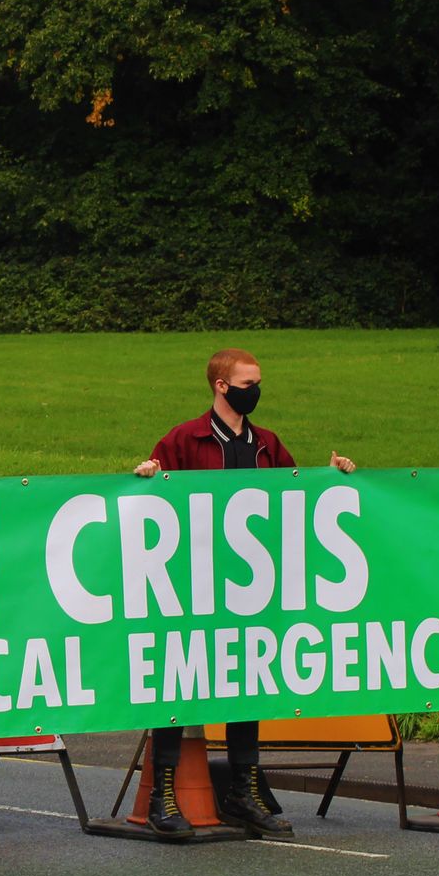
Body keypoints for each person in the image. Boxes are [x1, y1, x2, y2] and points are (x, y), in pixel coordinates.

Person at [130, 348, 357, 840]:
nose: (256, 390)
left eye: (258, 382)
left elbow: (297, 497)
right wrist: (147, 476)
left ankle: (243, 792)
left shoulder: (267, 444)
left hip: (251, 589)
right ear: (221, 386)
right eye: (248, 383)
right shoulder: (183, 440)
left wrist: (332, 477)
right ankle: (162, 795)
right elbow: (151, 499)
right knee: (179, 680)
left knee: (246, 681)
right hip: (191, 585)